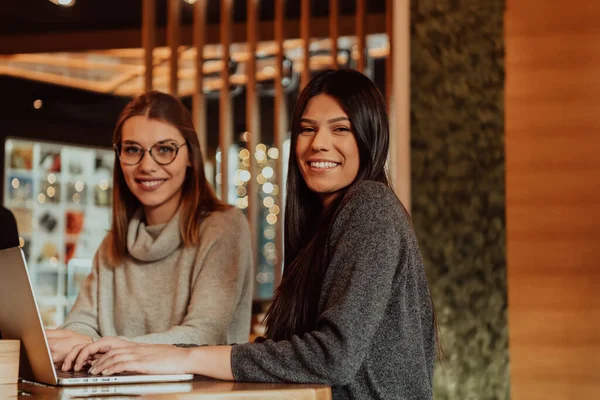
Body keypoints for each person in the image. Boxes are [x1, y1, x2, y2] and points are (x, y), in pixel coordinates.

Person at [62, 69, 437, 399]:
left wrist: (181, 356)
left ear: (370, 136)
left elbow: (332, 357)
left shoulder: (370, 205)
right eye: (307, 129)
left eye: (340, 128)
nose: (318, 143)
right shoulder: (322, 225)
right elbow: (297, 355)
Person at [47, 91, 254, 363]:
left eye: (165, 149)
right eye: (132, 149)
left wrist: (95, 347)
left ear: (191, 156)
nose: (147, 165)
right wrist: (81, 342)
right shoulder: (114, 244)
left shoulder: (223, 227)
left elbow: (203, 335)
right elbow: (80, 324)